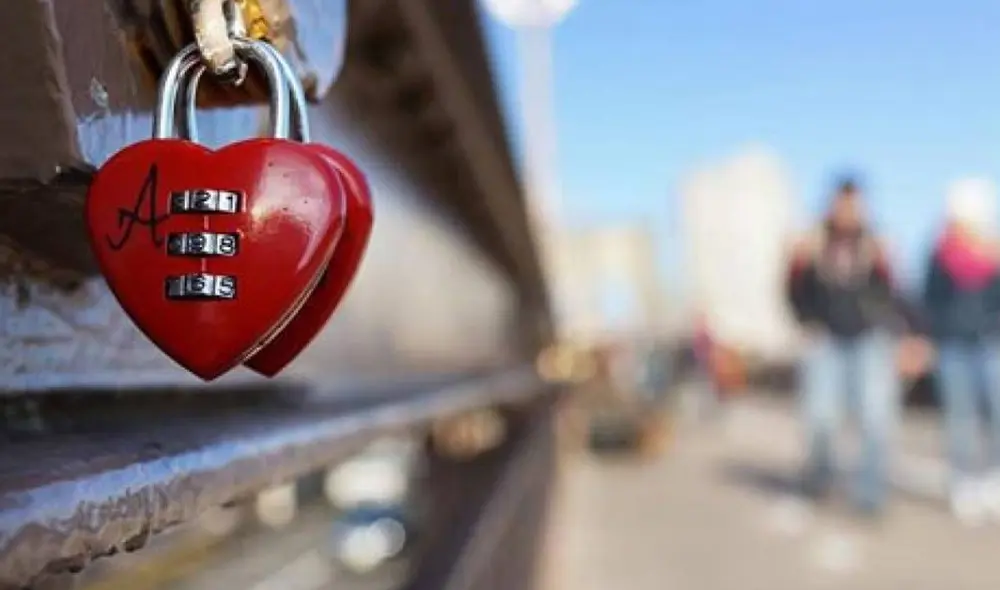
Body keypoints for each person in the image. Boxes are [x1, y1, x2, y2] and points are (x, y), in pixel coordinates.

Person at [786, 176, 925, 518]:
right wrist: (806, 320)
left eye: (854, 203)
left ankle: (871, 493)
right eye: (842, 202)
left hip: (870, 337)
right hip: (826, 339)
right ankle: (818, 481)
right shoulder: (812, 243)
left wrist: (914, 335)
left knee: (877, 418)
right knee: (820, 416)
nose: (848, 210)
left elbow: (897, 292)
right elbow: (792, 290)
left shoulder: (877, 244)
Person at [922, 179, 1000, 525]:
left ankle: (992, 480)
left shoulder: (994, 253)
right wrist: (928, 337)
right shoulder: (940, 253)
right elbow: (928, 300)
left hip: (989, 343)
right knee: (960, 419)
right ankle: (962, 483)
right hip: (952, 346)